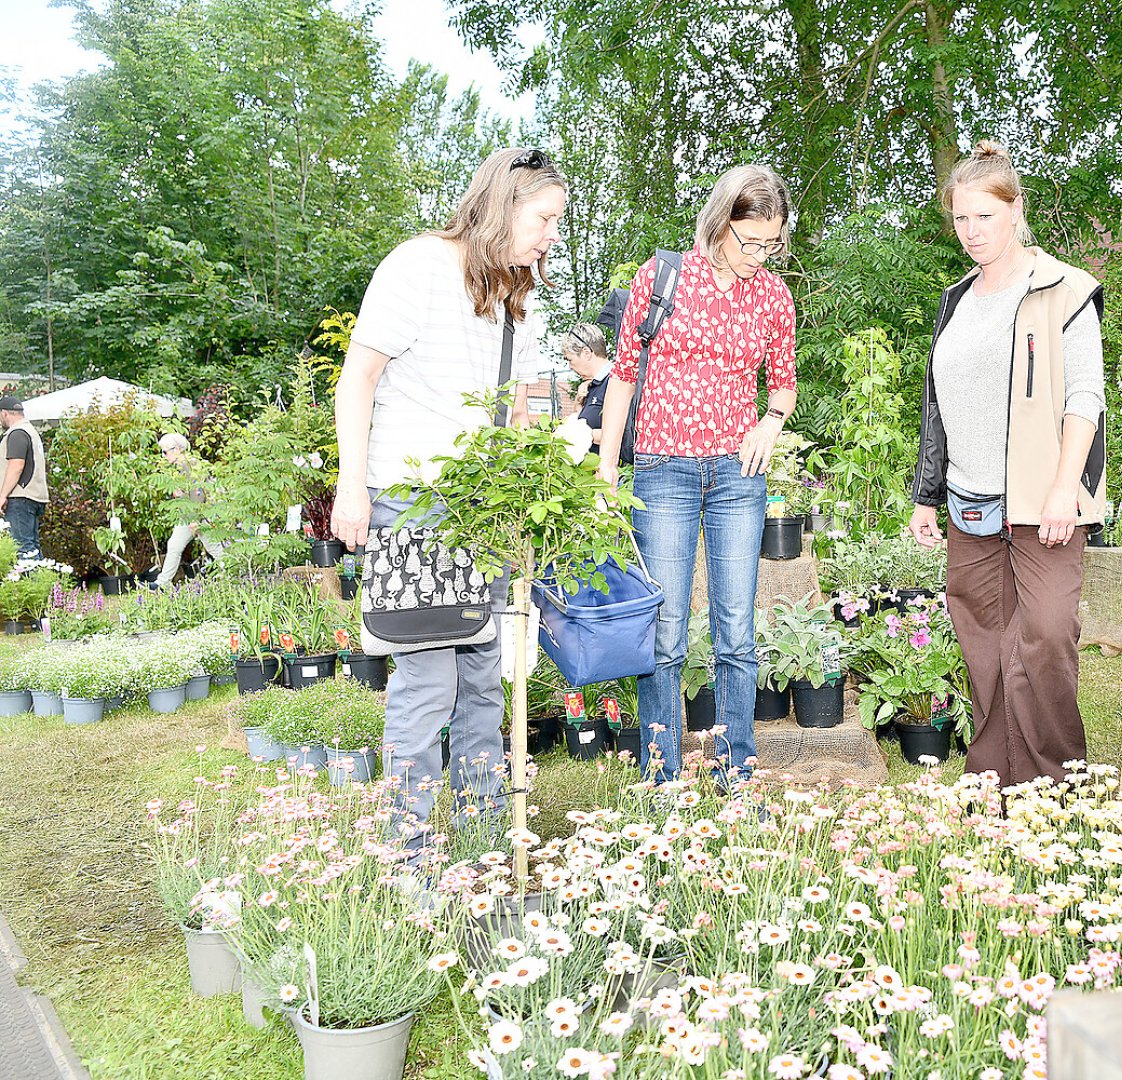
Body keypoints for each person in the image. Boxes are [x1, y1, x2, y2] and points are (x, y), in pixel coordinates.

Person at [330, 147, 561, 856]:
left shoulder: (519, 297)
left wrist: (551, 453)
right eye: (545, 218)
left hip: (484, 512)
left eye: (559, 222)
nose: (553, 235)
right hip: (413, 501)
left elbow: (525, 406)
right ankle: (411, 851)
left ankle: (486, 834)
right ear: (503, 202)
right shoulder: (417, 266)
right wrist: (350, 486)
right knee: (427, 683)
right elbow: (358, 378)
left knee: (484, 682)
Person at [907, 141, 1107, 788]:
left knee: (1045, 638)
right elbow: (938, 402)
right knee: (985, 648)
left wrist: (1063, 489)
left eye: (984, 218)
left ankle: (1053, 787)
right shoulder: (957, 299)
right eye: (961, 220)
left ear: (1016, 210)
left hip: (1041, 500)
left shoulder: (1064, 290)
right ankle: (993, 781)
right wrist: (925, 494)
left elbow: (1085, 398)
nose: (971, 233)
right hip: (969, 504)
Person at [596, 164, 798, 786]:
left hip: (739, 477)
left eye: (774, 243)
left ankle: (737, 770)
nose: (761, 255)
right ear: (720, 223)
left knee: (736, 630)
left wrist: (770, 422)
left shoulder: (772, 296)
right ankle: (661, 776)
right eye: (752, 242)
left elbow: (783, 384)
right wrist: (607, 467)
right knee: (666, 632)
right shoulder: (661, 279)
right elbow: (624, 374)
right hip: (663, 472)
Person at [152, 433, 225, 588]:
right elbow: (187, 493)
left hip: (200, 516)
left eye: (165, 452)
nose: (164, 456)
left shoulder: (190, 465)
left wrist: (194, 520)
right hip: (187, 516)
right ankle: (162, 583)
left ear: (177, 449)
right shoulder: (179, 468)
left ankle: (234, 577)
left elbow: (199, 494)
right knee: (174, 546)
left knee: (215, 548)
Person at [0, 395, 48, 558]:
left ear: (4, 413)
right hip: (33, 496)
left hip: (20, 497)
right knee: (32, 547)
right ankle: (44, 583)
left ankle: (34, 583)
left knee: (23, 550)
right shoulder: (31, 431)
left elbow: (16, 465)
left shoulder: (17, 433)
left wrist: (2, 496)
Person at [562, 323, 611, 457]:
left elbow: (623, 434)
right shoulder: (593, 385)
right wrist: (578, 405)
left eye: (570, 359)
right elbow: (588, 421)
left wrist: (583, 434)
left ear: (586, 353)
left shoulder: (614, 383)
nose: (570, 366)